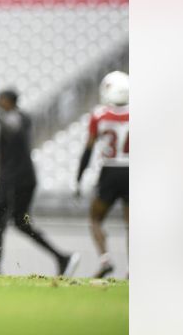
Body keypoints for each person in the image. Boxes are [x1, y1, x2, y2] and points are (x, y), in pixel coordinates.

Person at [0, 85, 79, 276]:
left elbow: (9, 126)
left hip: (14, 180)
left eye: (1, 99)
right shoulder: (21, 117)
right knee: (20, 222)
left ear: (9, 101)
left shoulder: (17, 118)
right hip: (22, 179)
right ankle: (62, 258)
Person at [76, 70, 129, 278]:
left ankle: (105, 258)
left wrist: (79, 176)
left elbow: (88, 149)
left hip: (110, 170)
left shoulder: (100, 115)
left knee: (95, 218)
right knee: (131, 223)